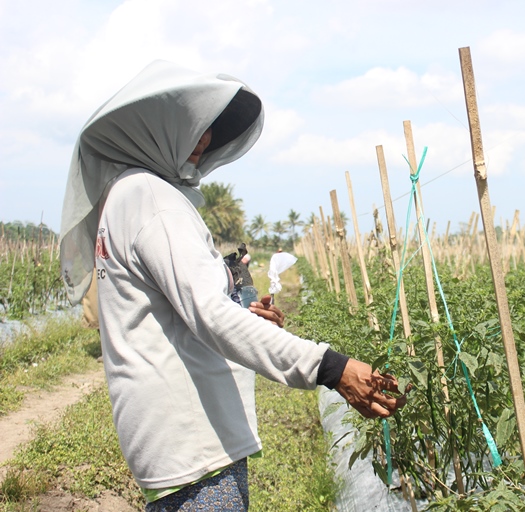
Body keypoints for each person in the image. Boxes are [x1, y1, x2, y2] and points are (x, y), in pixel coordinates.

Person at [59, 60, 406, 510]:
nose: (204, 140)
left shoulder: (126, 195)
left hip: (172, 445)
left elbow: (178, 311)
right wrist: (331, 367)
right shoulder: (151, 199)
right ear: (157, 127)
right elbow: (209, 315)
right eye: (193, 126)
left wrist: (241, 315)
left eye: (208, 128)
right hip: (194, 455)